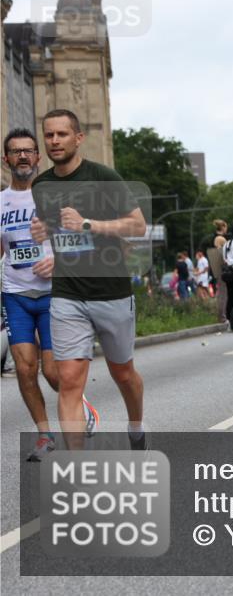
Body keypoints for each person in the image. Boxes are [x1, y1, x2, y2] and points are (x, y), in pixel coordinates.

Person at [29, 109, 146, 450]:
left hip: (111, 292)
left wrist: (88, 224)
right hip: (67, 293)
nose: (54, 141)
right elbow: (55, 230)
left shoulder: (103, 177)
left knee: (123, 374)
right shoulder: (42, 185)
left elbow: (137, 226)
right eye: (49, 135)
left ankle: (136, 427)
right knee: (68, 380)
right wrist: (43, 231)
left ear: (78, 138)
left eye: (61, 134)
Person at [3, 127, 98, 460]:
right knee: (25, 368)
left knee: (54, 373)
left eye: (29, 150)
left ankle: (82, 407)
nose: (23, 156)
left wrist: (57, 261)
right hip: (14, 294)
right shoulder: (0, 203)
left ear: (37, 157)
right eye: (16, 152)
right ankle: (45, 436)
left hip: (54, 294)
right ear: (6, 159)